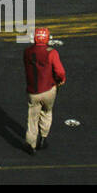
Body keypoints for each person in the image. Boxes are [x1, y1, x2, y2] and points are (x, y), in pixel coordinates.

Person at [23, 26, 65, 155]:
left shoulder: (27, 52)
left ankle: (31, 144)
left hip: (33, 90)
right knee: (47, 113)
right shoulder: (51, 52)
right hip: (49, 89)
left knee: (32, 118)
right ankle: (43, 137)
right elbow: (60, 71)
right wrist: (61, 80)